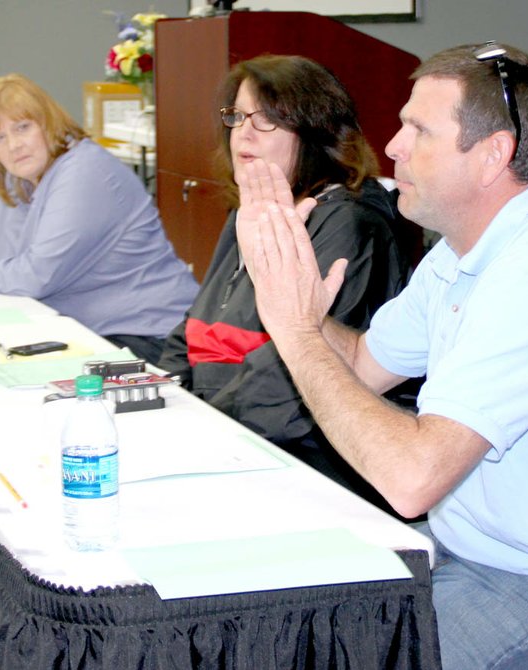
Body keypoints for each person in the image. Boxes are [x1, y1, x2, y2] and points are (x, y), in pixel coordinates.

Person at [235, 43, 528, 669]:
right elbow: (360, 366)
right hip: (467, 555)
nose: (392, 147)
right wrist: (292, 303)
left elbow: (412, 480)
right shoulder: (462, 254)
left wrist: (299, 336)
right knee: (273, 611)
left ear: (494, 153)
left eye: (418, 130)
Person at [158, 55, 406, 496]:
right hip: (220, 431)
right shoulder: (254, 208)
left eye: (268, 119)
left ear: (316, 132)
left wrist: (195, 431)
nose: (244, 132)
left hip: (299, 460)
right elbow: (193, 326)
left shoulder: (349, 225)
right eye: (236, 116)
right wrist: (163, 399)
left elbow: (294, 381)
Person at [0, 73, 198, 365]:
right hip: (91, 329)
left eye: (23, 127)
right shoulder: (23, 177)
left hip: (150, 337)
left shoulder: (85, 172)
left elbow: (34, 277)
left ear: (48, 123)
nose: (14, 145)